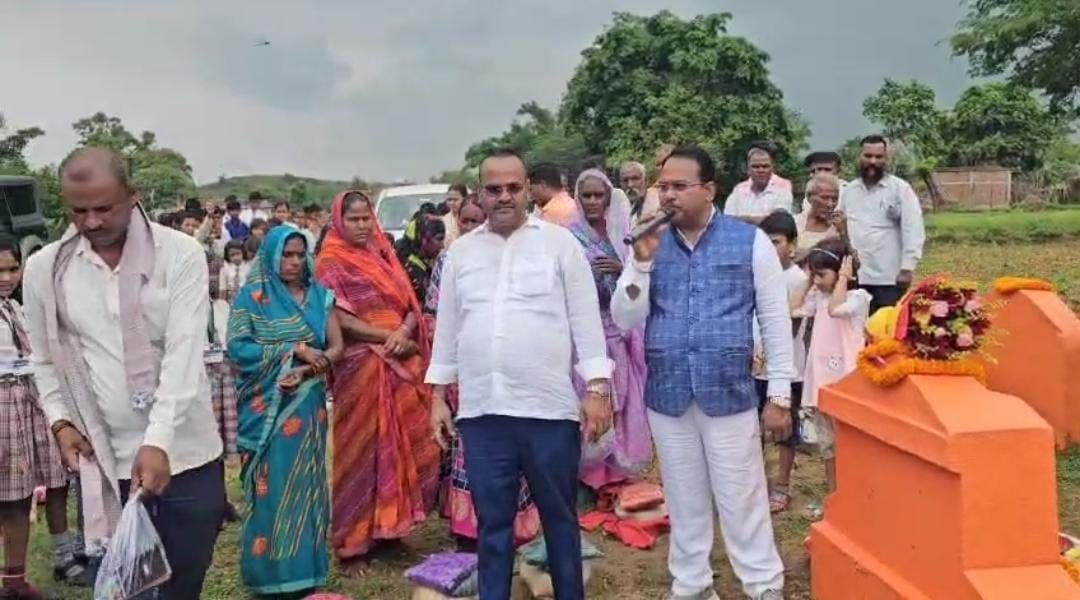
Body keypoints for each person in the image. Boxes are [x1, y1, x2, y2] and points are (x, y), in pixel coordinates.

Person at [23, 147, 226, 598]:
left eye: (103, 208)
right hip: (104, 460)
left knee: (182, 583)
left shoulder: (180, 254)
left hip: (185, 454)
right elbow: (43, 357)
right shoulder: (45, 270)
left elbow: (183, 354)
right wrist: (59, 421)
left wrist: (158, 442)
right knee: (121, 586)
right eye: (79, 211)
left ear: (133, 195)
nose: (92, 222)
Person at [427, 149, 613, 599]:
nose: (505, 196)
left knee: (560, 520)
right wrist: (437, 397)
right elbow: (448, 329)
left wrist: (597, 388)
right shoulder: (461, 254)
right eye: (494, 189)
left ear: (528, 189)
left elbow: (586, 321)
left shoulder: (560, 245)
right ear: (480, 194)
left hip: (548, 412)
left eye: (514, 187)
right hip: (483, 412)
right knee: (493, 525)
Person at [610, 145, 791, 600]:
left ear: (709, 190)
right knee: (684, 495)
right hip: (669, 394)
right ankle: (691, 585)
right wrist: (641, 263)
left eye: (679, 186)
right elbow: (625, 317)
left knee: (741, 492)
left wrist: (780, 395)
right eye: (663, 187)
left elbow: (774, 320)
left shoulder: (748, 241)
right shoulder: (650, 243)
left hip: (727, 389)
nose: (668, 195)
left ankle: (763, 583)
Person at [315, 191, 441, 564]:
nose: (361, 226)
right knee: (361, 451)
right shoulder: (330, 261)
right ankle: (353, 541)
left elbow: (410, 302)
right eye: (353, 219)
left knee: (412, 441)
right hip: (361, 365)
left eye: (366, 218)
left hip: (400, 357)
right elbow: (338, 318)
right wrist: (387, 337)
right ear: (339, 221)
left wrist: (403, 331)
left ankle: (391, 527)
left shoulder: (382, 255)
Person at [228, 226, 343, 596]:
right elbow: (238, 349)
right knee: (271, 486)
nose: (294, 262)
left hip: (307, 405)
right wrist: (292, 349)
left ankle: (306, 574)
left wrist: (307, 369)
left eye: (299, 255)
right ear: (271, 256)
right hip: (265, 408)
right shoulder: (251, 298)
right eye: (286, 255)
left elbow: (336, 347)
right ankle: (268, 575)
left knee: (306, 485)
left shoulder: (320, 296)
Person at [422, 197, 540, 551]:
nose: (473, 227)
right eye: (467, 221)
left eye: (479, 220)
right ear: (457, 221)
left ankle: (513, 524)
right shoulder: (450, 260)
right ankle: (468, 528)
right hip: (466, 371)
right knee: (470, 447)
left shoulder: (514, 255)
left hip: (512, 368)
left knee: (512, 445)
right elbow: (435, 316)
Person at [0, 234, 88, 600]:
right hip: (4, 405)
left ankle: (17, 579)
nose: (7, 277)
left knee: (25, 493)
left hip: (27, 401)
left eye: (13, 269)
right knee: (9, 497)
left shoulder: (14, 309)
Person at [568, 169, 651, 492]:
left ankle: (616, 475)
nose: (592, 201)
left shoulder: (623, 234)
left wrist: (622, 271)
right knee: (589, 400)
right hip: (585, 333)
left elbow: (638, 287)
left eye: (598, 195)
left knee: (623, 403)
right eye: (586, 195)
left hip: (619, 331)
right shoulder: (569, 238)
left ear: (608, 198)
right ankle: (587, 476)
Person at [790, 238, 871, 498]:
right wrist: (808, 281)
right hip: (821, 381)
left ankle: (854, 494)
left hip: (845, 380)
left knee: (849, 443)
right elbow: (793, 309)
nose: (816, 281)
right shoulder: (819, 297)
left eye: (821, 274)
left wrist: (844, 278)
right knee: (828, 444)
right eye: (813, 274)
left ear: (842, 271)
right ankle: (834, 494)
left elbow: (837, 310)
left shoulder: (858, 298)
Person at [753, 213, 808, 514]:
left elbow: (792, 328)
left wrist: (768, 351)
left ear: (792, 245)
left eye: (775, 242)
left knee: (785, 432)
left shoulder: (799, 280)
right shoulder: (755, 275)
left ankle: (782, 485)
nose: (769, 249)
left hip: (787, 371)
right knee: (753, 429)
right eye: (764, 242)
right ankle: (756, 483)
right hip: (754, 368)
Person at [839, 135, 926, 313]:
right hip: (855, 277)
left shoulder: (900, 189)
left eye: (879, 157)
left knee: (885, 325)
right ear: (859, 156)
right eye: (868, 156)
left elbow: (913, 228)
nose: (873, 161)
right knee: (856, 326)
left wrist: (907, 268)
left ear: (887, 159)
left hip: (889, 277)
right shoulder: (849, 191)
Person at [724, 143, 794, 224]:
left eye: (765, 166)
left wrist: (743, 219)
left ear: (773, 168)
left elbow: (778, 222)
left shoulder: (783, 186)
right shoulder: (739, 189)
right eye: (755, 166)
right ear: (748, 169)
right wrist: (760, 219)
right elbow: (727, 219)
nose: (760, 170)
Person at [795, 173, 845, 259]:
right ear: (809, 198)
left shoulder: (839, 229)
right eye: (824, 198)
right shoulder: (795, 223)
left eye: (834, 199)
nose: (830, 204)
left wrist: (844, 234)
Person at [402, 218, 446, 307]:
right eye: (439, 239)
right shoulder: (412, 269)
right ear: (424, 240)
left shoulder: (429, 264)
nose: (442, 245)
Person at [220, 239, 250, 304]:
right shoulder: (224, 269)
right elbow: (222, 289)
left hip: (245, 299)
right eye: (232, 255)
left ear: (243, 252)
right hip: (230, 301)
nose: (236, 257)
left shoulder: (248, 267)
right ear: (228, 256)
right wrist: (222, 305)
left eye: (238, 254)